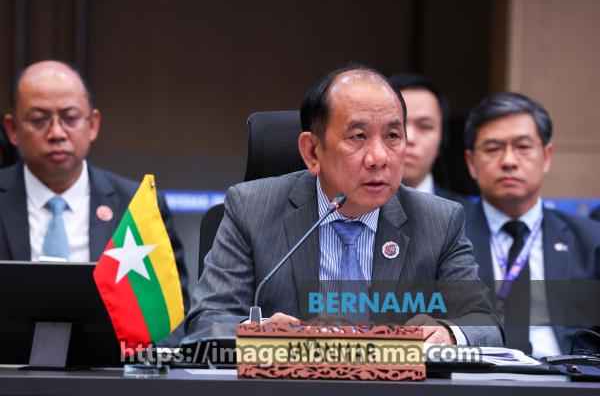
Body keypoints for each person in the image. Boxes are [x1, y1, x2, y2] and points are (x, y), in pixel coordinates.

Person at [185, 66, 502, 347]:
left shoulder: (439, 220)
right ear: (312, 152)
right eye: (358, 136)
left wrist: (448, 333)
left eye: (393, 136)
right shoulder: (251, 209)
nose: (379, 157)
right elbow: (207, 320)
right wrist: (258, 331)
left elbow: (484, 322)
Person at [0, 61, 189, 339]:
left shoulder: (136, 206)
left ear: (93, 124)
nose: (56, 133)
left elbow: (169, 320)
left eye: (70, 117)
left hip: (115, 365)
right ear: (12, 129)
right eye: (39, 120)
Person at [463, 92, 600, 357]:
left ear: (547, 156)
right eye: (493, 148)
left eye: (523, 147)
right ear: (471, 163)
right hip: (476, 375)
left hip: (566, 376)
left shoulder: (590, 242)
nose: (509, 161)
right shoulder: (446, 238)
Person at [388, 73, 468, 206]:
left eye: (425, 126)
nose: (410, 137)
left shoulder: (466, 214)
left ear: (442, 141)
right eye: (397, 125)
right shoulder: (352, 212)